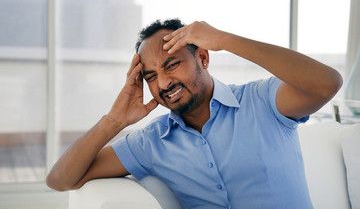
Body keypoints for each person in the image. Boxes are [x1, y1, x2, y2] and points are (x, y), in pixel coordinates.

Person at [46, 19, 343, 208]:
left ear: (202, 56)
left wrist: (226, 40)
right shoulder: (151, 142)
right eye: (150, 76)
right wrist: (113, 121)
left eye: (171, 64)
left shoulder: (262, 101)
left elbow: (328, 83)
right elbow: (60, 179)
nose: (163, 83)